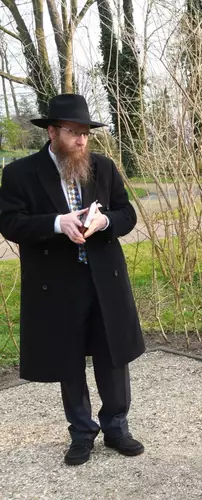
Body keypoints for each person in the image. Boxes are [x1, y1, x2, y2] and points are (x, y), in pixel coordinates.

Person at [0, 94, 146, 466]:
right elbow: (10, 222)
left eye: (85, 133)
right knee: (68, 359)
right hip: (57, 284)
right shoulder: (20, 173)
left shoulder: (103, 167)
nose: (81, 140)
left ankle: (116, 427)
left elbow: (126, 212)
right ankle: (81, 433)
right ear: (51, 132)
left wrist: (105, 222)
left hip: (104, 280)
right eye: (72, 132)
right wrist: (56, 223)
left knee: (113, 356)